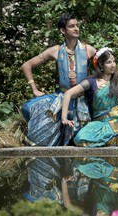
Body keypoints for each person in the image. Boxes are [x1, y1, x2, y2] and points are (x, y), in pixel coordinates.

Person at [21, 13, 96, 146]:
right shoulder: (55, 50)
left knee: (78, 138)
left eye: (77, 25)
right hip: (61, 97)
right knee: (29, 107)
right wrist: (34, 89)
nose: (76, 28)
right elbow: (26, 66)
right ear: (63, 30)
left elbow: (106, 68)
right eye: (71, 26)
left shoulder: (88, 50)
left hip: (82, 100)